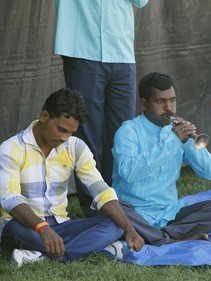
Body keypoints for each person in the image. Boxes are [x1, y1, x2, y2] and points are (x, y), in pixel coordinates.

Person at [0, 88, 144, 267]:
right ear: (44, 116)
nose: (64, 138)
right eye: (61, 130)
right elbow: (11, 200)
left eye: (70, 133)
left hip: (61, 226)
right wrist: (42, 228)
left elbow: (100, 190)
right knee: (15, 229)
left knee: (114, 225)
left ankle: (42, 256)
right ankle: (92, 248)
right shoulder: (11, 148)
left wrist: (129, 229)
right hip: (24, 225)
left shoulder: (76, 147)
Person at [111, 72, 211, 245]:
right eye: (161, 101)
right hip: (135, 212)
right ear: (144, 104)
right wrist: (172, 143)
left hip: (170, 213)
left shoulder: (175, 133)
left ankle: (162, 236)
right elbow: (128, 173)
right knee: (114, 210)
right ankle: (171, 237)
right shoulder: (128, 132)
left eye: (172, 100)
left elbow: (210, 172)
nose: (169, 108)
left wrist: (189, 142)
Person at [54, 0, 149, 216]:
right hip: (81, 47)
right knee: (87, 134)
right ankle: (94, 207)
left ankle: (120, 201)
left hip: (121, 50)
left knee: (123, 134)